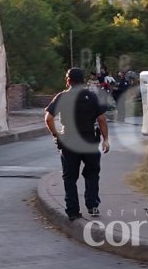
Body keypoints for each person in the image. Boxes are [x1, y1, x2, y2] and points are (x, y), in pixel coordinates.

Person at [45, 68, 110, 220]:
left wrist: (56, 134)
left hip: (69, 142)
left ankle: (73, 211)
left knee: (70, 177)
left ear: (68, 81)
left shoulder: (62, 97)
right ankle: (93, 205)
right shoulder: (92, 97)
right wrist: (105, 139)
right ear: (83, 81)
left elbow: (48, 118)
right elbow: (102, 120)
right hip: (89, 142)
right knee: (92, 174)